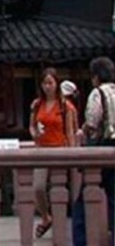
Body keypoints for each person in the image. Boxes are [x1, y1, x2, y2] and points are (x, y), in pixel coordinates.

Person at [72, 57, 115, 246]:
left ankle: (81, 241)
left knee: (82, 202)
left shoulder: (98, 93)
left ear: (95, 76)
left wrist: (83, 132)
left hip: (103, 146)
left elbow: (92, 122)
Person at [29, 68, 76, 239]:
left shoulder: (65, 106)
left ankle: (61, 228)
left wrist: (72, 153)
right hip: (42, 149)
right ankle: (45, 217)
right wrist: (34, 134)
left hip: (60, 148)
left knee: (59, 190)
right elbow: (32, 126)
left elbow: (69, 131)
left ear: (56, 84)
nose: (47, 87)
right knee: (38, 188)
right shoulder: (37, 104)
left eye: (50, 83)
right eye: (44, 83)